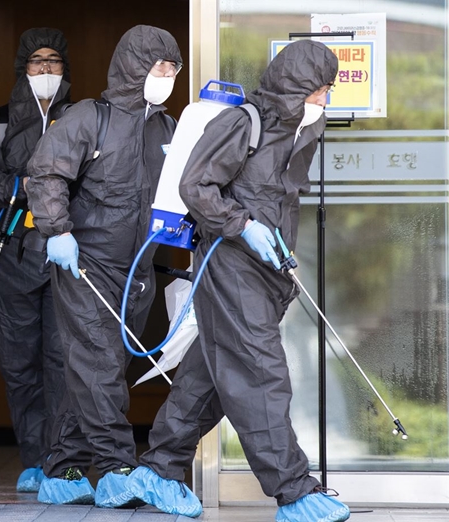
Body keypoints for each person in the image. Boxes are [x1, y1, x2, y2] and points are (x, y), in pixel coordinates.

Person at [125, 40, 350, 522]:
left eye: (328, 92)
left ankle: (159, 469)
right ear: (295, 88)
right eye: (319, 92)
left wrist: (281, 258)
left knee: (211, 373)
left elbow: (281, 200)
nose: (325, 102)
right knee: (261, 373)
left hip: (268, 273)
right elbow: (195, 186)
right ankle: (293, 490)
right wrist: (241, 224)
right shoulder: (243, 122)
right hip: (228, 265)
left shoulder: (302, 131)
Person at [25, 25, 182, 507]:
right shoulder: (88, 118)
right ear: (136, 67)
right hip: (85, 263)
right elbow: (46, 171)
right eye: (160, 67)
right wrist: (58, 231)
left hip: (136, 271)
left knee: (101, 364)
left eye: (173, 69)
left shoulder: (166, 127)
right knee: (98, 364)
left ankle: (64, 467)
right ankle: (118, 467)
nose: (167, 76)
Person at [0, 27, 71, 493]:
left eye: (54, 60)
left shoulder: (82, 118)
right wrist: (25, 186)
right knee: (19, 361)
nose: (46, 68)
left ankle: (60, 459)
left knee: (63, 360)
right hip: (11, 257)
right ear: (22, 68)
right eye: (37, 61)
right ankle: (34, 458)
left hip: (66, 254)